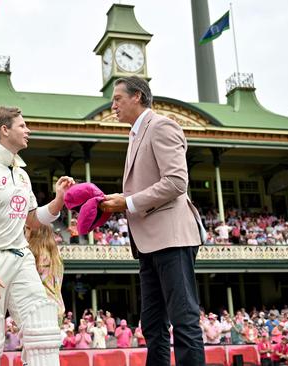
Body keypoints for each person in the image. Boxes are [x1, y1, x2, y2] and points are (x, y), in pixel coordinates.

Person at [0, 106, 74, 366]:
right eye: (22, 125)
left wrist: (58, 200)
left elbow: (32, 218)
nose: (27, 130)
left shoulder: (21, 174)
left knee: (42, 330)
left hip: (21, 256)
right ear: (4, 129)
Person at [100, 76, 204, 365]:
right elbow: (146, 187)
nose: (113, 105)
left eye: (118, 98)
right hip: (147, 242)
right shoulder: (135, 134)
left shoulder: (161, 125)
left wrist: (128, 202)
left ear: (138, 97)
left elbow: (176, 182)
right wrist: (119, 198)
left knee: (184, 320)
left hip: (171, 237)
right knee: (152, 324)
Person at [26, 224, 65, 322]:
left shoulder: (33, 252)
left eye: (28, 228)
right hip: (57, 307)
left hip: (39, 308)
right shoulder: (56, 254)